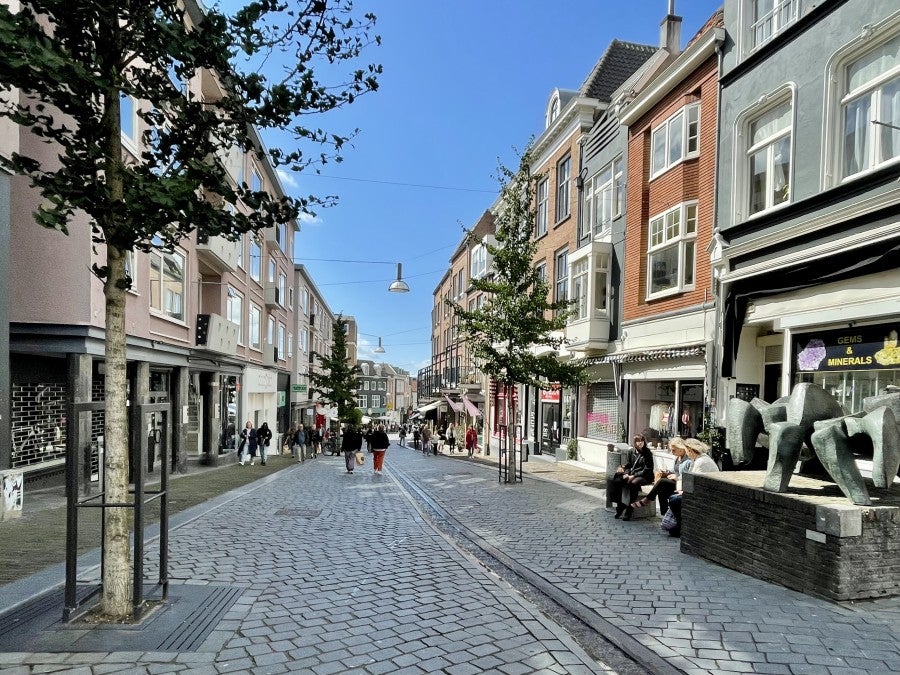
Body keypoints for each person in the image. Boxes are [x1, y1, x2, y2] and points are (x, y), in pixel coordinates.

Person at [666, 438, 720, 537]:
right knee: (673, 496)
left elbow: (694, 482)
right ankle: (679, 525)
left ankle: (682, 526)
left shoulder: (701, 461)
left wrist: (683, 491)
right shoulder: (697, 459)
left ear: (690, 450)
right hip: (700, 491)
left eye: (687, 451)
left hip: (705, 494)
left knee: (674, 500)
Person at [629, 437, 692, 514]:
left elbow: (688, 478)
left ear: (681, 448)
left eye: (673, 450)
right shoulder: (677, 458)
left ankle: (647, 500)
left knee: (661, 481)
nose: (672, 452)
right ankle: (664, 514)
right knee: (661, 491)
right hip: (675, 483)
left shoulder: (688, 461)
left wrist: (677, 477)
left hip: (682, 484)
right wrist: (666, 472)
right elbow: (674, 470)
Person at [610, 434, 655, 520]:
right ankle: (620, 506)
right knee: (617, 480)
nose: (640, 443)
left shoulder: (647, 453)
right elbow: (628, 465)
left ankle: (629, 510)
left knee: (634, 483)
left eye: (642, 441)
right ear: (634, 442)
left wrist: (633, 475)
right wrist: (626, 473)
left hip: (644, 476)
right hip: (632, 473)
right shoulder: (631, 452)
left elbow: (647, 470)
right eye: (638, 441)